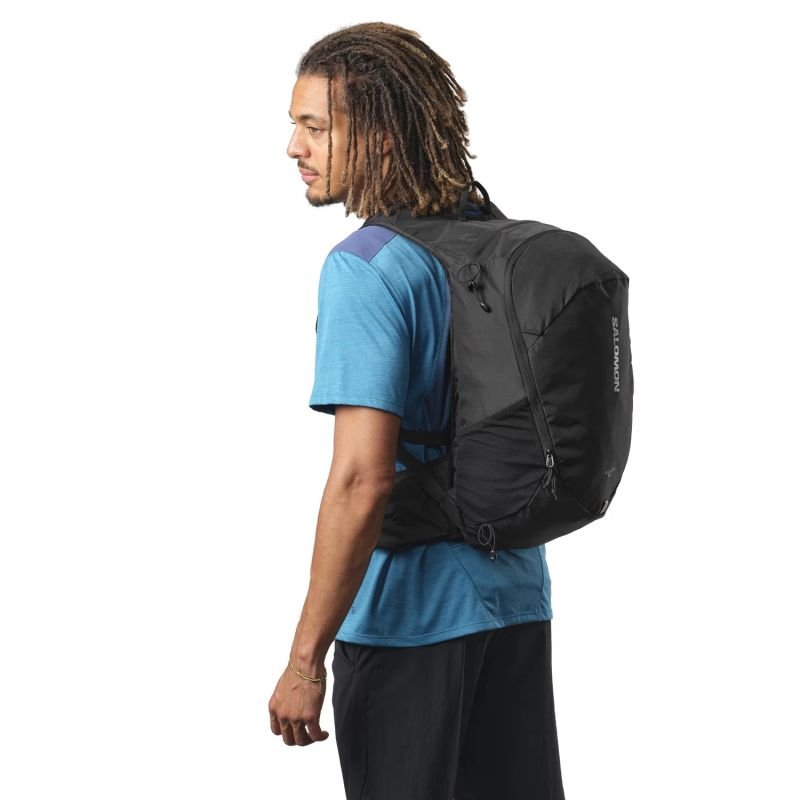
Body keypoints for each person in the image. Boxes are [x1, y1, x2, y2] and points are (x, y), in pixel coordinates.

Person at [269, 22, 566, 800]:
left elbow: (361, 480)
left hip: (407, 619)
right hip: (513, 599)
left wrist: (304, 662)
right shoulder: (491, 242)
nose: (294, 147)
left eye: (316, 127)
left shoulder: (367, 268)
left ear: (379, 135)